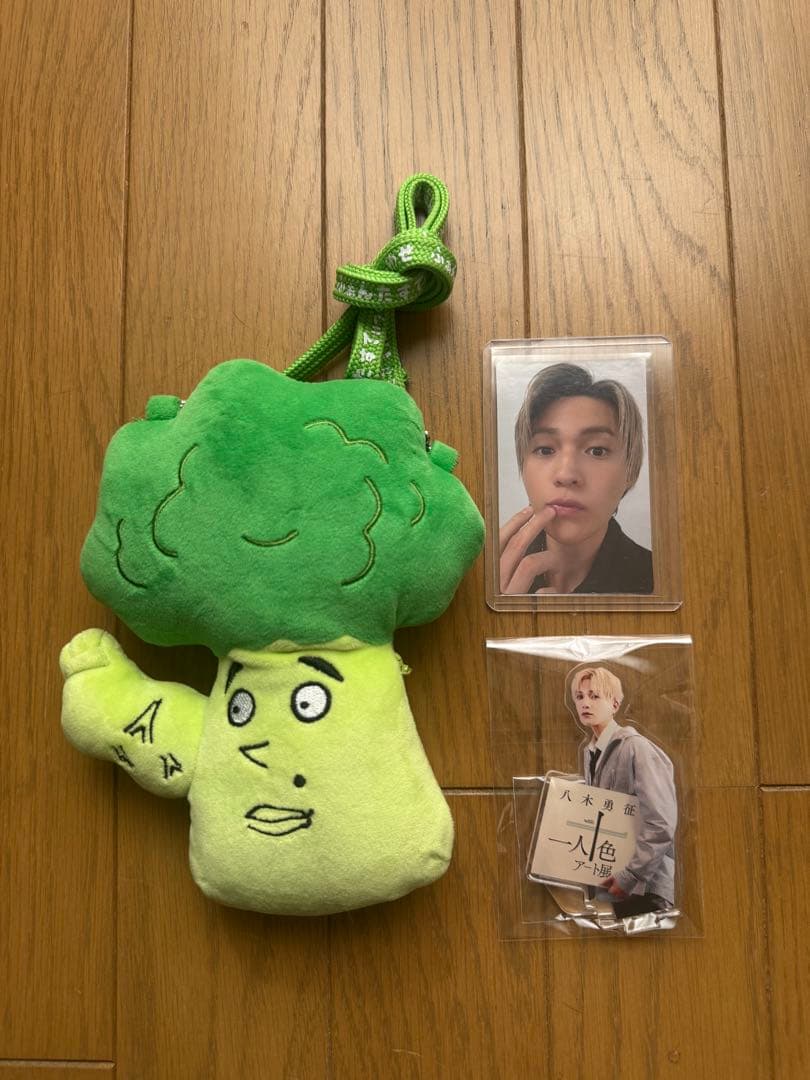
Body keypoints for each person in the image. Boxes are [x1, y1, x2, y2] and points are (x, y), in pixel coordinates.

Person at [499, 362, 653, 594]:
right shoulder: (482, 571)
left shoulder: (660, 581)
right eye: (545, 449)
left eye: (597, 451)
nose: (566, 475)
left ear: (630, 471)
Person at [571, 665, 676, 916]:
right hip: (614, 886)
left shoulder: (636, 748)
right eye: (580, 696)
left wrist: (630, 875)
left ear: (615, 704)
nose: (585, 703)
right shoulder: (591, 752)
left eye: (595, 696)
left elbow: (661, 823)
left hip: (646, 889)